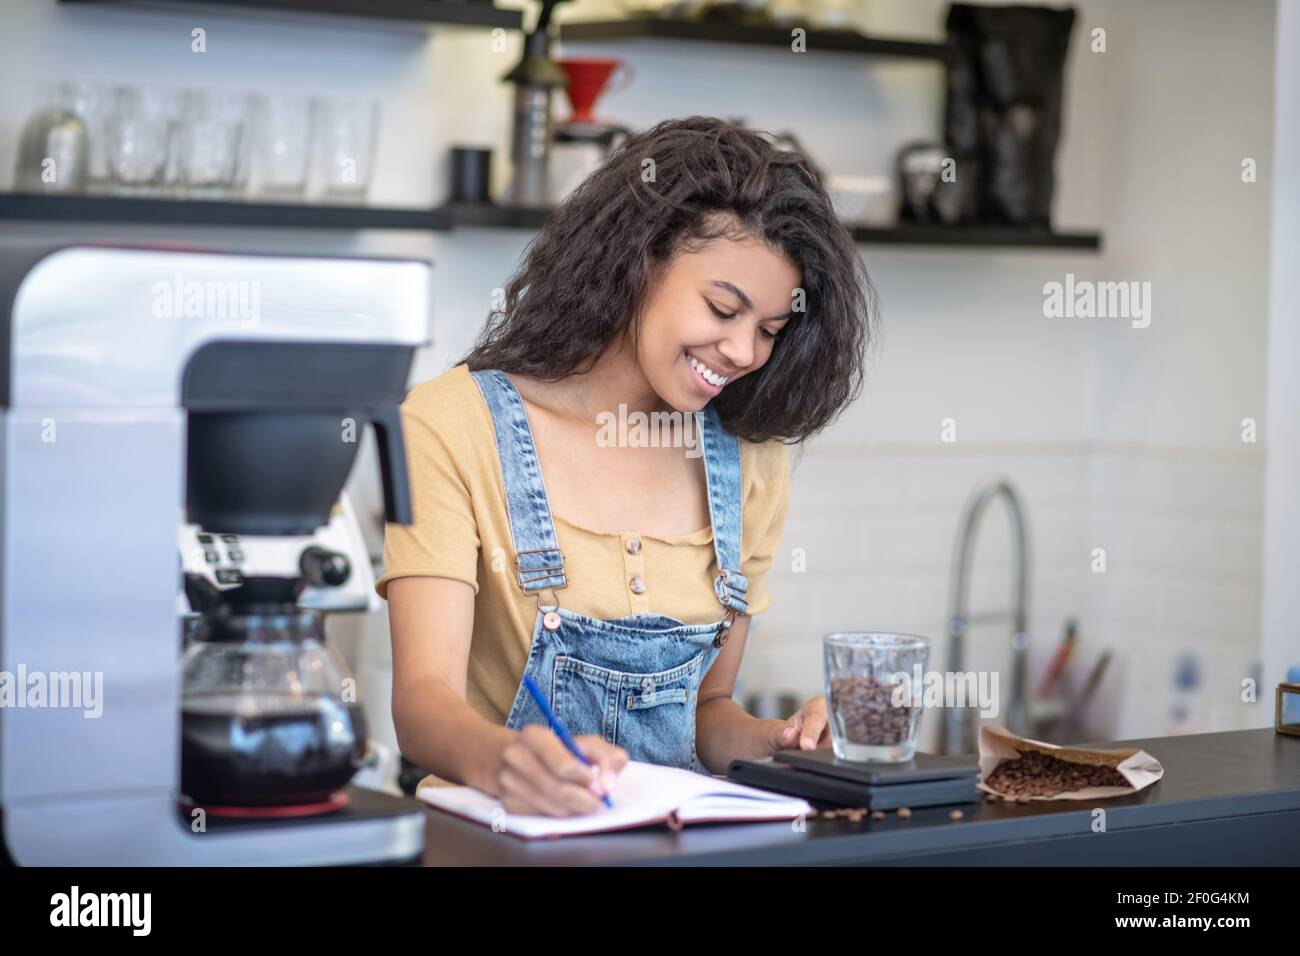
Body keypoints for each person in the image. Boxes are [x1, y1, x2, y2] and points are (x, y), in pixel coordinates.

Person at [378, 116, 875, 817]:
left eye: (768, 330)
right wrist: (506, 761)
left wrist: (786, 743)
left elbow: (708, 715)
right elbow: (422, 706)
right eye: (722, 308)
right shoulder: (450, 425)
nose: (741, 351)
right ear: (638, 261)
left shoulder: (750, 461)